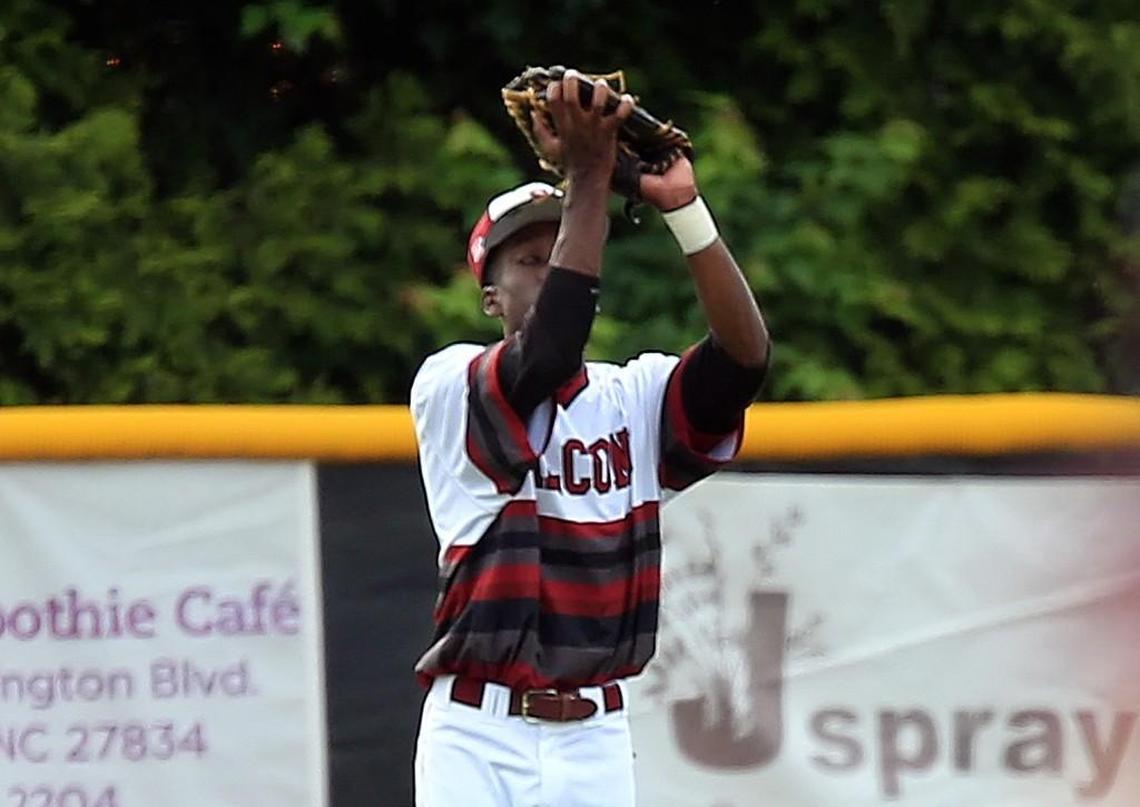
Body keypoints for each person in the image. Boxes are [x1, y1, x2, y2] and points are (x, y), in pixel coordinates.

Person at [409, 70, 771, 807]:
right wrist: (589, 179)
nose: (548, 272)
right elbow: (547, 350)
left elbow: (744, 361)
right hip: (477, 734)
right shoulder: (449, 384)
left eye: (559, 252)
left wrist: (686, 210)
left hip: (595, 736)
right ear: (491, 296)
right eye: (527, 261)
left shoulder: (632, 398)